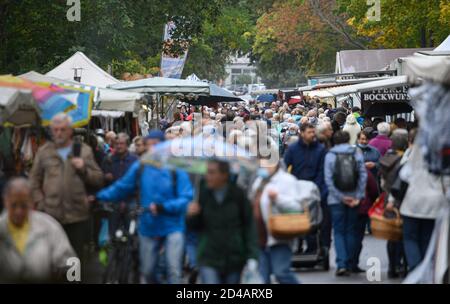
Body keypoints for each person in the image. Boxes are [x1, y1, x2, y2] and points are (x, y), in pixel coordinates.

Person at [96, 144, 194, 284]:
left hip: (172, 225)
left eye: (156, 144)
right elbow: (122, 186)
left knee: (173, 270)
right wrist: (100, 196)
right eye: (150, 145)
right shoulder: (141, 166)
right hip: (149, 224)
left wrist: (164, 207)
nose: (153, 148)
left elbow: (186, 197)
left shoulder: (175, 168)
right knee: (148, 271)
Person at [29, 113, 103, 265]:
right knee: (51, 257)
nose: (59, 133)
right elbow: (33, 181)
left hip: (77, 216)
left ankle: (72, 280)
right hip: (51, 215)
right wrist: (41, 202)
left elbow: (98, 179)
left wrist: (84, 169)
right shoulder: (44, 151)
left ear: (70, 130)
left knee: (73, 259)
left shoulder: (83, 150)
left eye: (62, 129)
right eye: (55, 130)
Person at [187, 160, 258, 284]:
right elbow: (193, 227)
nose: (207, 176)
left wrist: (252, 255)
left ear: (224, 175)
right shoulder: (202, 194)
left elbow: (249, 226)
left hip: (234, 257)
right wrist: (191, 215)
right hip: (209, 256)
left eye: (212, 172)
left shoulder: (238, 195)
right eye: (207, 172)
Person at [0, 178, 76, 283]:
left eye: (24, 205)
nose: (18, 211)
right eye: (13, 205)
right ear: (5, 202)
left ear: (31, 203)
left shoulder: (49, 226)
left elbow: (71, 261)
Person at [398, 130, 446, 272]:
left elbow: (402, 178)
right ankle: (425, 270)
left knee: (410, 237)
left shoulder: (413, 156)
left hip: (412, 201)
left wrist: (392, 200)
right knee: (427, 238)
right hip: (434, 203)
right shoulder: (441, 156)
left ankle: (415, 268)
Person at [250, 158, 301, 284]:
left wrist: (277, 198)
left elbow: (297, 207)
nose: (265, 168)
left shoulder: (286, 181)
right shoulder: (259, 181)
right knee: (262, 278)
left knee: (281, 273)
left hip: (279, 234)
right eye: (262, 165)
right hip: (260, 236)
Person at [324, 131, 367, 276]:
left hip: (336, 200)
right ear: (349, 139)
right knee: (351, 231)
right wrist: (357, 196)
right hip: (354, 198)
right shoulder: (356, 152)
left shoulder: (330, 155)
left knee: (339, 231)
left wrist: (341, 197)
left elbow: (328, 180)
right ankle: (349, 262)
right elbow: (363, 175)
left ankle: (341, 263)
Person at [284, 122, 327, 254]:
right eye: (309, 132)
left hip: (314, 188)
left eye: (313, 132)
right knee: (296, 218)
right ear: (302, 133)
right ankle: (297, 245)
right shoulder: (293, 149)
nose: (312, 134)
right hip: (296, 188)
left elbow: (322, 170)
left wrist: (317, 187)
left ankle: (312, 247)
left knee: (312, 220)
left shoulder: (320, 149)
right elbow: (285, 167)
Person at [101, 133, 138, 237]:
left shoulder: (134, 160)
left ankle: (132, 249)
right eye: (117, 143)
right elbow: (101, 179)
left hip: (131, 200)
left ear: (127, 145)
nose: (119, 146)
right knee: (112, 233)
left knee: (132, 232)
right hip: (113, 201)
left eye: (121, 143)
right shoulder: (108, 160)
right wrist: (105, 177)